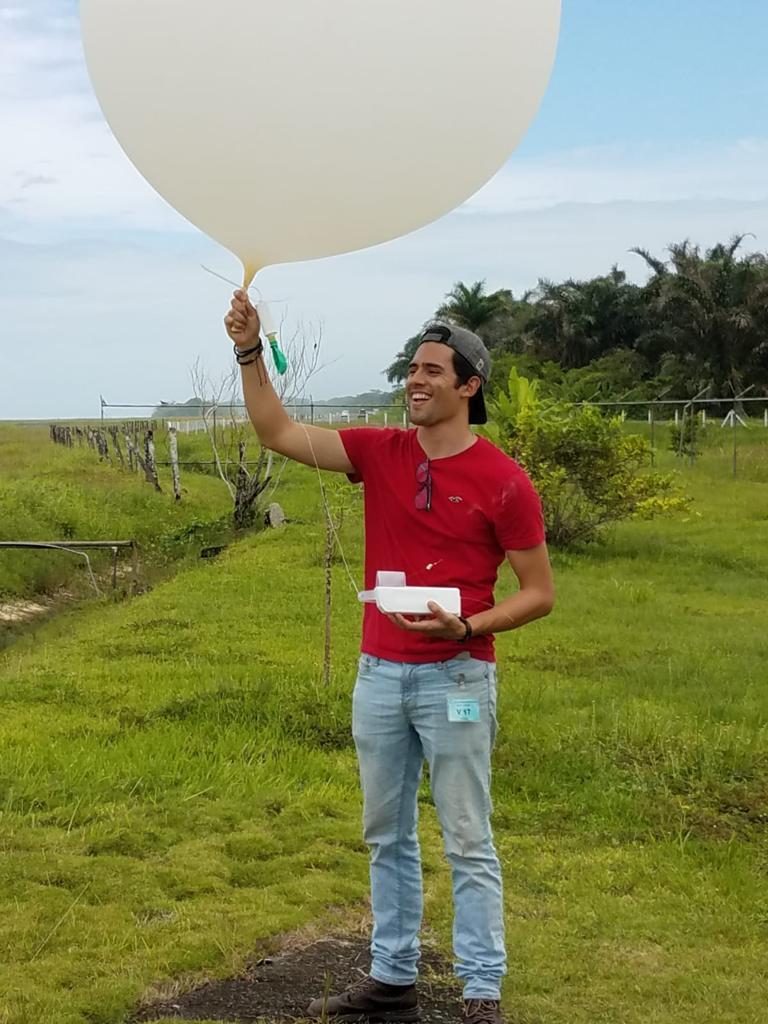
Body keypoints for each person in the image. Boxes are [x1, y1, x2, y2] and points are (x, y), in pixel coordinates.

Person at [225, 291, 555, 1024]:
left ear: (469, 386)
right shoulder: (379, 451)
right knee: (386, 832)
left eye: (434, 369)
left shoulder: (505, 480)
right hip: (379, 676)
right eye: (412, 367)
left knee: (468, 834)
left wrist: (468, 627)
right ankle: (393, 976)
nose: (416, 379)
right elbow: (276, 430)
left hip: (459, 677)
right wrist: (249, 352)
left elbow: (538, 594)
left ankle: (480, 990)